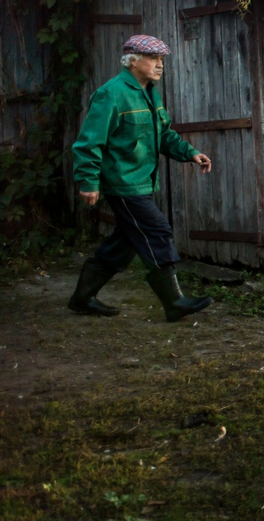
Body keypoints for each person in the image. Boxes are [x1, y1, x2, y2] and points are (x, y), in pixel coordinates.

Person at [68, 35, 214, 322]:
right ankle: (174, 302)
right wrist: (88, 181)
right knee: (156, 230)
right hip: (122, 182)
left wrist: (190, 153)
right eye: (153, 59)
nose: (160, 65)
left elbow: (164, 135)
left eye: (162, 60)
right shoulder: (111, 94)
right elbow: (89, 142)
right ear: (132, 60)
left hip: (141, 181)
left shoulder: (150, 92)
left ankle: (82, 298)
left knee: (124, 242)